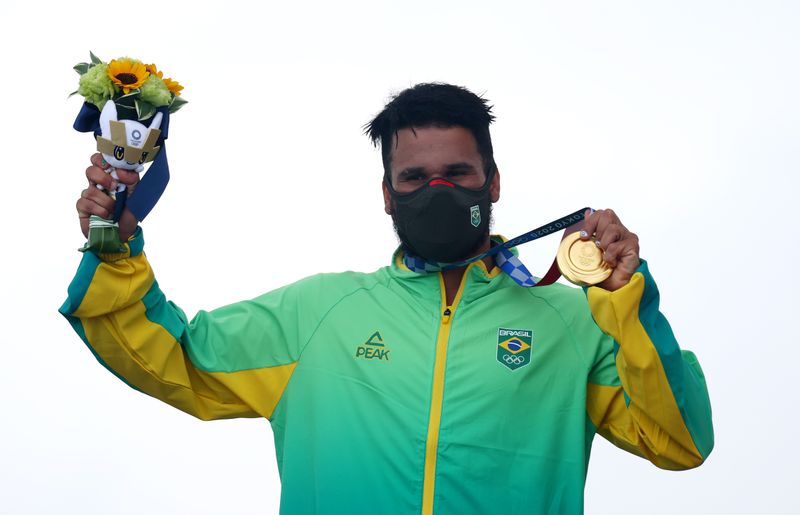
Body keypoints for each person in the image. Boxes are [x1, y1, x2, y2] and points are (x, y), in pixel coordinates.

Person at [62, 83, 713, 515]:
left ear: (493, 182)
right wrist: (115, 253)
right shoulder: (317, 315)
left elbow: (678, 440)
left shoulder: (575, 324)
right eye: (413, 177)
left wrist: (625, 297)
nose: (436, 189)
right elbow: (174, 358)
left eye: (457, 174)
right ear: (386, 192)